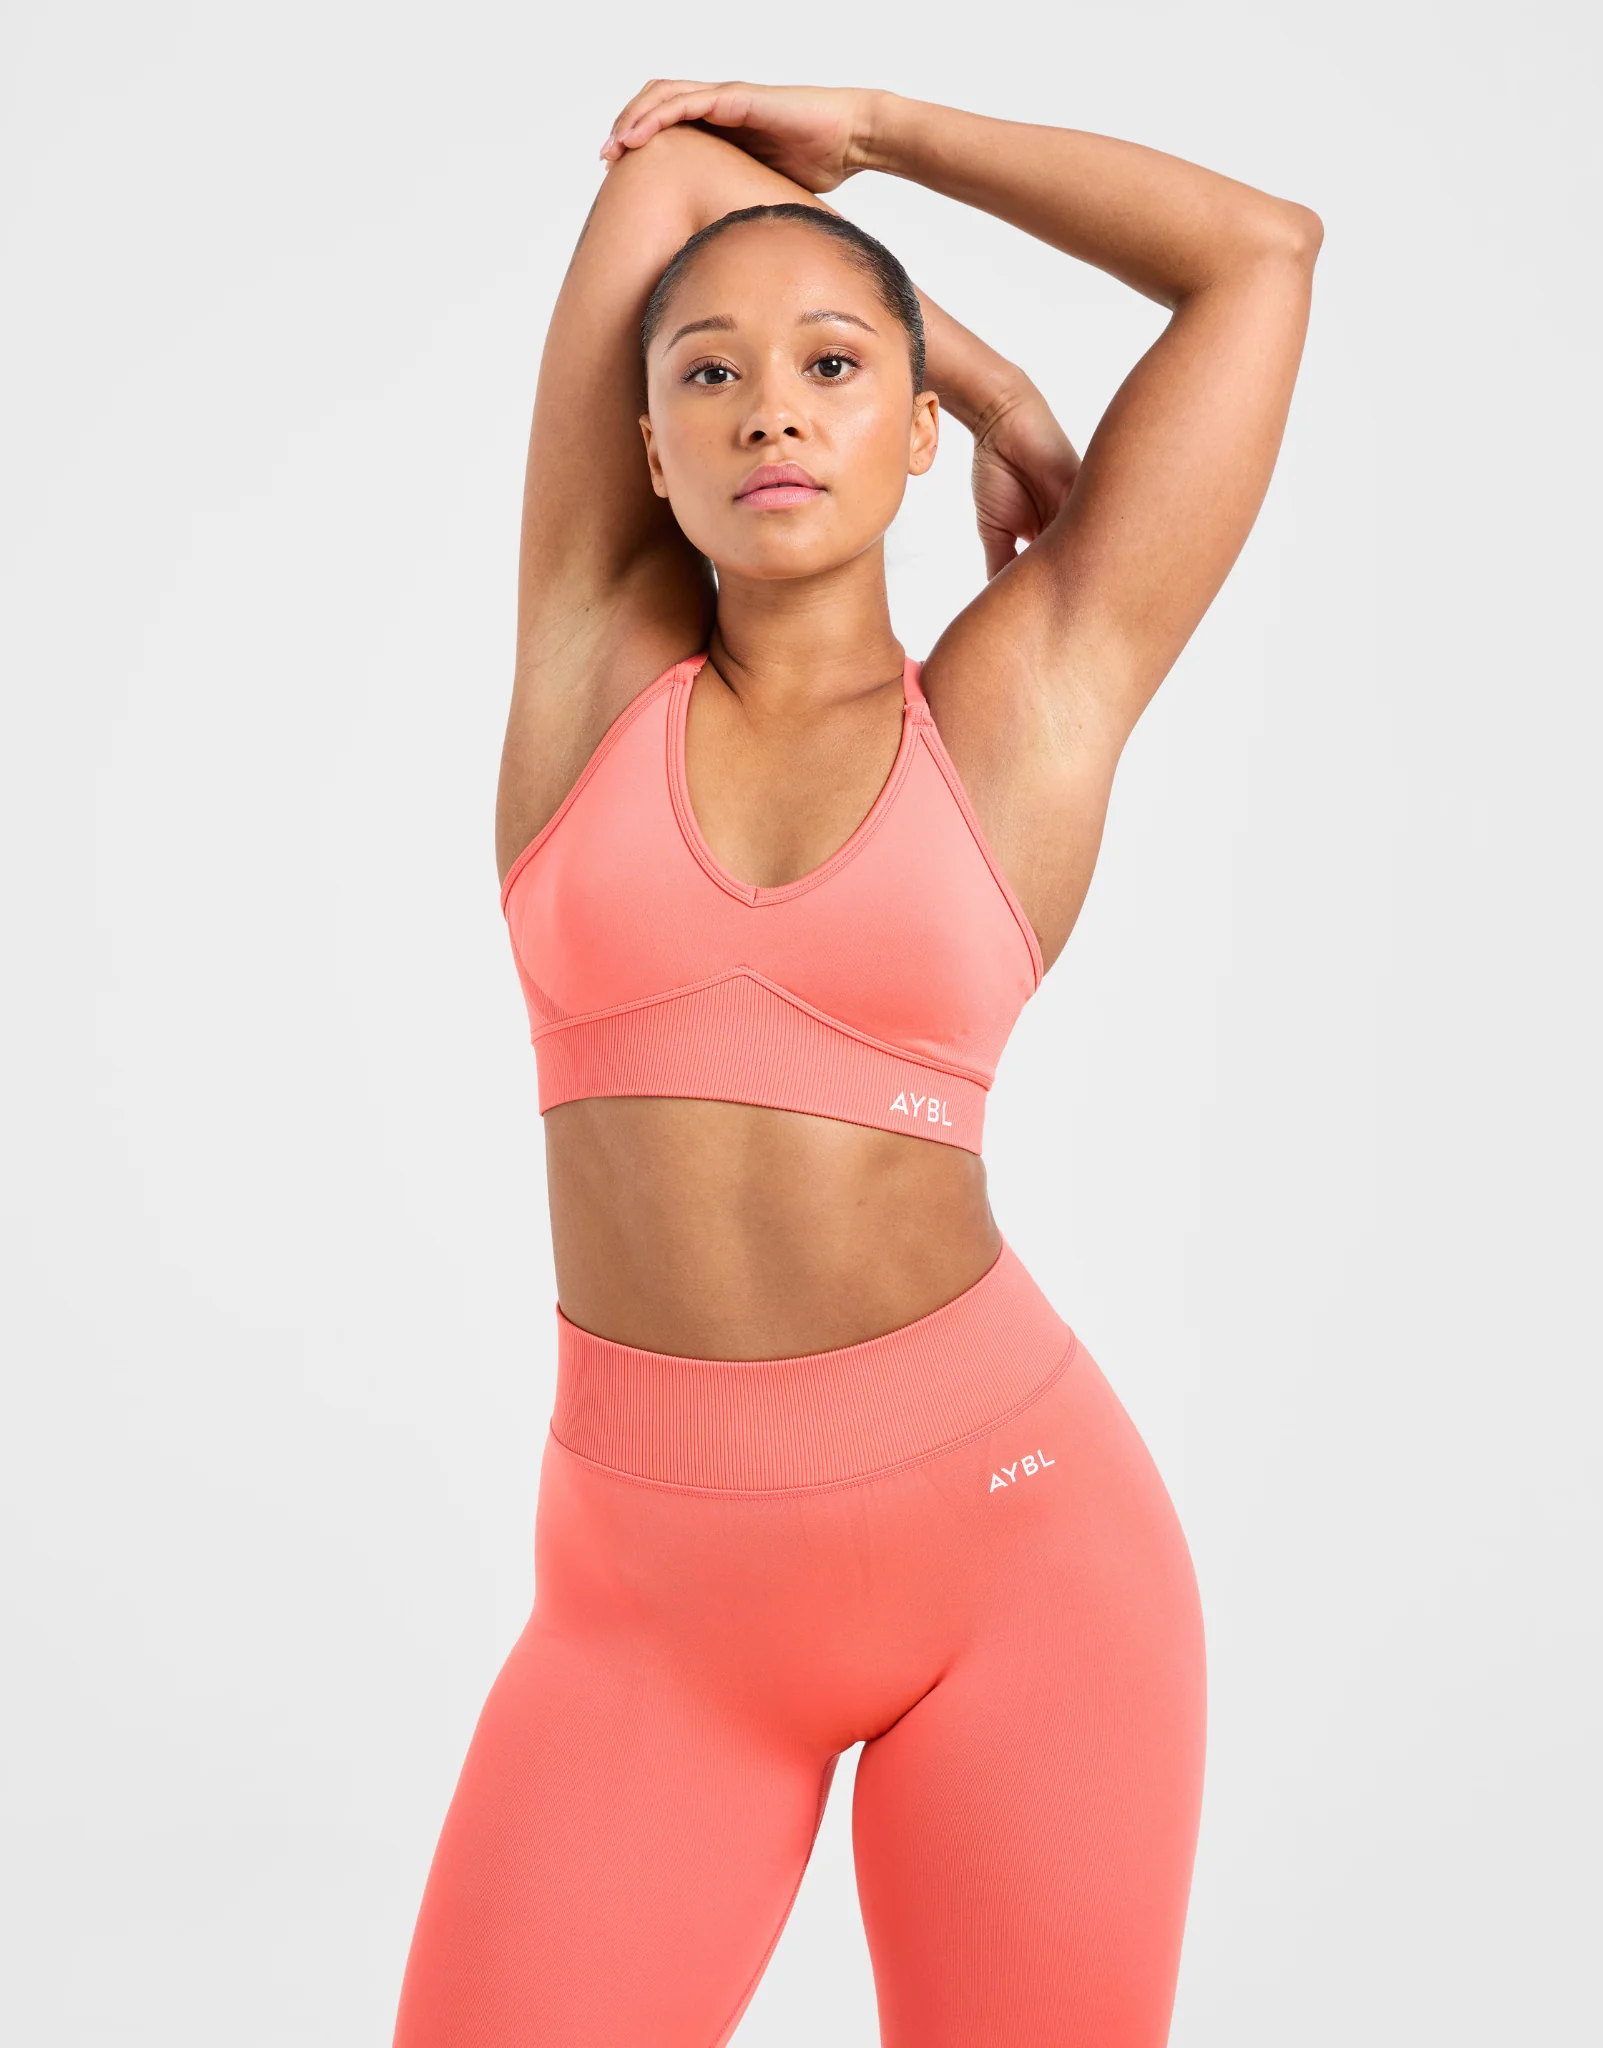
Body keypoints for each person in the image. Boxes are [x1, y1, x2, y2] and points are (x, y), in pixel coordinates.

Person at [391, 80, 1320, 2048]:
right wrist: (963, 369)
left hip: (1021, 1568)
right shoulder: (588, 662)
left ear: (899, 437)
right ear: (647, 447)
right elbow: (671, 168)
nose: (768, 411)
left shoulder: (1023, 706)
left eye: (831, 368)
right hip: (646, 1624)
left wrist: (883, 137)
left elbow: (1258, 253)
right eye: (710, 375)